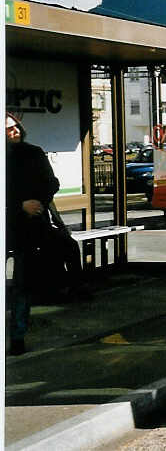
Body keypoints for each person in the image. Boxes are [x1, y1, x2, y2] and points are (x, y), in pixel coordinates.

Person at [6, 113, 83, 355]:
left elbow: (52, 183)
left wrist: (38, 201)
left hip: (28, 229)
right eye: (8, 130)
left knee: (22, 285)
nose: (14, 132)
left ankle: (17, 337)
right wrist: (20, 204)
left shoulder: (34, 152)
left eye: (15, 127)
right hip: (9, 223)